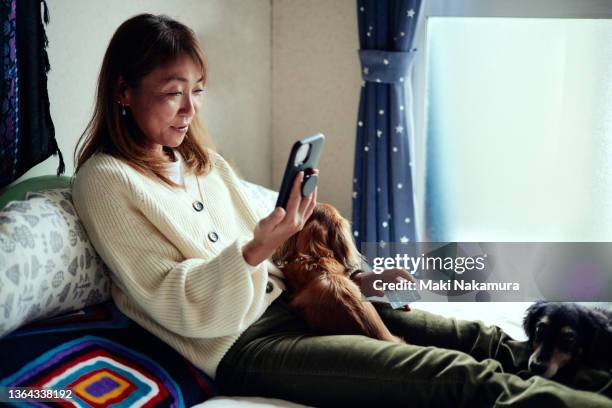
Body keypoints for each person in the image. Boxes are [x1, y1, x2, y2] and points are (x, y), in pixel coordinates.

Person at [72, 13, 612, 408]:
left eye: (199, 90)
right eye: (173, 93)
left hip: (302, 303)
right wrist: (255, 248)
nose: (191, 108)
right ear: (124, 91)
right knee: (455, 376)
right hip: (246, 344)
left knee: (480, 340)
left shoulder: (201, 161)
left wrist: (359, 277)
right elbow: (173, 298)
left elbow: (280, 255)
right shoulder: (105, 181)